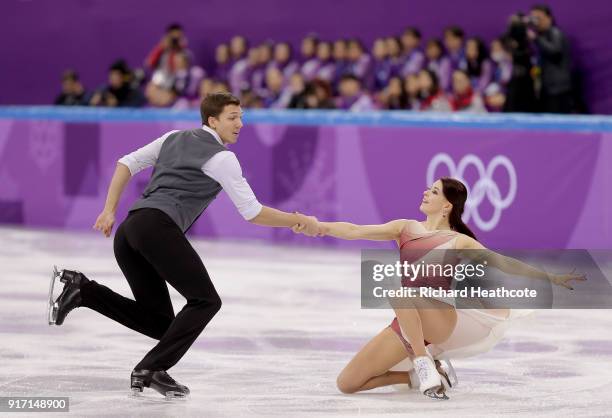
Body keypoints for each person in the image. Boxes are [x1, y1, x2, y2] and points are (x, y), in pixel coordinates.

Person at [47, 93, 321, 399]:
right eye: (233, 117)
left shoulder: (172, 138)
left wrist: (110, 209)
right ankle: (151, 368)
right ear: (212, 120)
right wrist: (298, 220)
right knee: (206, 301)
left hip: (130, 231)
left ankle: (85, 291)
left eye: (241, 116)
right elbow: (252, 212)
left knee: (164, 325)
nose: (240, 124)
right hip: (156, 228)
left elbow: (126, 163)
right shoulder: (222, 157)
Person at [293, 177, 585, 400]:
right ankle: (421, 377)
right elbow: (355, 230)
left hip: (440, 318)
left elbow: (503, 263)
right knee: (347, 383)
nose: (425, 192)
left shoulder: (458, 241)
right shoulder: (404, 228)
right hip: (407, 320)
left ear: (447, 205)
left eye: (433, 191)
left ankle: (422, 362)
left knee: (398, 291)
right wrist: (318, 226)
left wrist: (551, 277)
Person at [528, 4, 573, 113]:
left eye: (539, 18)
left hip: (558, 89)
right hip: (548, 87)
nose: (536, 22)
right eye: (533, 18)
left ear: (549, 18)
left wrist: (536, 39)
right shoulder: (542, 35)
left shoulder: (555, 33)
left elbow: (555, 52)